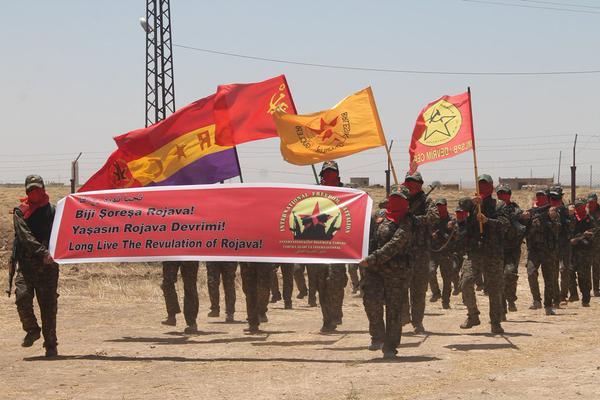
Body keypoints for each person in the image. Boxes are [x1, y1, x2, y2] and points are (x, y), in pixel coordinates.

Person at [360, 186, 412, 360]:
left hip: (396, 273)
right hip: (374, 271)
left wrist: (372, 258)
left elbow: (395, 245)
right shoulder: (379, 217)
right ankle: (378, 335)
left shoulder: (408, 221)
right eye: (393, 197)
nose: (395, 201)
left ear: (406, 203)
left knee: (394, 310)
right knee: (371, 301)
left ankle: (390, 346)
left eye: (399, 198)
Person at [12, 175, 59, 357]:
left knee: (48, 307)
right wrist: (43, 252)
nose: (35, 193)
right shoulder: (20, 212)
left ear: (44, 189)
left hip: (48, 267)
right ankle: (32, 330)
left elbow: (61, 233)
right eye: (31, 190)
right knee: (22, 298)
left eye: (37, 189)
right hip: (26, 266)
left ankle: (51, 345)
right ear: (26, 191)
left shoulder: (53, 211)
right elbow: (25, 236)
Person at [458, 174, 508, 334]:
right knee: (465, 282)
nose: (483, 188)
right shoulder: (473, 204)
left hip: (492, 252)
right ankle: (473, 315)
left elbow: (505, 225)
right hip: (474, 251)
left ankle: (495, 321)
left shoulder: (499, 205)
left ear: (492, 187)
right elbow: (461, 205)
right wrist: (472, 203)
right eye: (480, 185)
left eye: (486, 185)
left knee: (494, 288)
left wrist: (488, 221)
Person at [309, 161, 348, 333]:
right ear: (321, 175)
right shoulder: (313, 193)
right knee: (321, 285)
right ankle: (328, 319)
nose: (329, 176)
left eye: (332, 172)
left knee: (336, 282)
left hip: (339, 247)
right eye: (326, 173)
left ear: (338, 175)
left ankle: (336, 312)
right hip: (318, 247)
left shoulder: (348, 193)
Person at [404, 171, 439, 333]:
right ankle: (403, 317)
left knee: (418, 289)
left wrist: (414, 219)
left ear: (420, 185)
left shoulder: (427, 201)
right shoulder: (400, 199)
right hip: (402, 251)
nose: (411, 185)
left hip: (420, 251)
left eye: (415, 183)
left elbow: (434, 217)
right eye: (409, 182)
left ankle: (417, 321)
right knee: (400, 287)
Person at [523, 191, 561, 315]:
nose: (540, 198)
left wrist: (552, 218)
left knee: (549, 278)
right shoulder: (532, 212)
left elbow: (558, 229)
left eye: (542, 196)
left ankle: (548, 305)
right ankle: (536, 300)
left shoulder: (552, 212)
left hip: (548, 251)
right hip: (534, 250)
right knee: (531, 273)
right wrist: (528, 219)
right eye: (538, 196)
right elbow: (524, 229)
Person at [496, 184, 527, 315]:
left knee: (510, 274)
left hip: (513, 248)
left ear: (509, 195)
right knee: (499, 277)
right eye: (500, 194)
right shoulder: (494, 208)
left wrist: (524, 217)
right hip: (498, 248)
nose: (502, 196)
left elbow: (523, 221)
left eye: (505, 193)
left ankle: (511, 298)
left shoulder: (515, 208)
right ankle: (502, 307)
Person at [429, 198, 455, 309]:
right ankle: (436, 293)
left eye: (442, 206)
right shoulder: (432, 219)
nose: (440, 208)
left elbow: (457, 235)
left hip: (446, 253)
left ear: (446, 206)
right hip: (433, 252)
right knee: (430, 272)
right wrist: (431, 235)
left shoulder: (452, 219)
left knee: (447, 279)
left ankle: (446, 301)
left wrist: (452, 228)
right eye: (438, 206)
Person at [160, 261, 199, 333]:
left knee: (190, 286)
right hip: (172, 254)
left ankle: (192, 323)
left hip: (189, 254)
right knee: (167, 284)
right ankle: (171, 315)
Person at [569, 198, 595, 307]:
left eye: (581, 206)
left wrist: (578, 238)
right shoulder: (571, 219)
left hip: (585, 251)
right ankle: (573, 294)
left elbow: (592, 234)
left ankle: (586, 299)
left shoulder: (589, 219)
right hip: (572, 251)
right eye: (577, 206)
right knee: (569, 272)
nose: (579, 208)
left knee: (583, 276)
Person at [240, 262, 273, 333]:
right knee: (249, 291)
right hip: (247, 260)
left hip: (264, 260)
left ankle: (261, 312)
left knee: (264, 288)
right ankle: (253, 322)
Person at [586, 193, 600, 297]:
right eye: (590, 201)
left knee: (596, 267)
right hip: (586, 244)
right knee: (586, 267)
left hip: (598, 244)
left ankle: (596, 289)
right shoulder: (585, 211)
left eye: (593, 201)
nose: (591, 203)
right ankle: (587, 289)